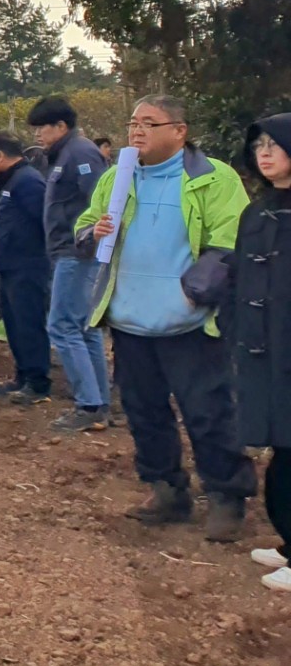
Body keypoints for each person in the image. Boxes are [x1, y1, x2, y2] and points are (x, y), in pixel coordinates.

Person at [77, 95, 254, 542]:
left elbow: (230, 243)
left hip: (189, 323)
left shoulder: (213, 178)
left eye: (149, 123)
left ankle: (225, 496)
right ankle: (166, 489)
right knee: (144, 412)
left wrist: (193, 293)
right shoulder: (116, 178)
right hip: (130, 321)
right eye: (133, 123)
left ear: (180, 131)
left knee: (209, 413)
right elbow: (84, 227)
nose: (137, 131)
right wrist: (90, 233)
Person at [231, 114, 291, 591]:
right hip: (264, 350)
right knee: (279, 444)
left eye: (276, 144)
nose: (265, 153)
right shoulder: (258, 211)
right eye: (260, 146)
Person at [28, 95, 112, 429]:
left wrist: (88, 238)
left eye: (42, 128)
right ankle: (99, 402)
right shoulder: (64, 154)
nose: (37, 135)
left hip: (77, 253)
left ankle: (88, 405)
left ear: (61, 126)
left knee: (62, 326)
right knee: (83, 328)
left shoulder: (80, 153)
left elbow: (98, 201)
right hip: (71, 251)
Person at [0, 133, 58, 413]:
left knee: (29, 324)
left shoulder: (27, 182)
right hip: (11, 267)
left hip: (28, 266)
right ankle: (23, 376)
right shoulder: (12, 181)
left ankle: (38, 384)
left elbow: (44, 222)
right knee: (15, 325)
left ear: (0, 156)